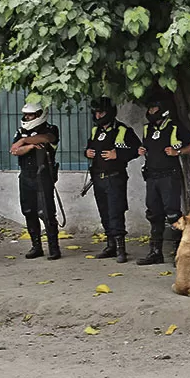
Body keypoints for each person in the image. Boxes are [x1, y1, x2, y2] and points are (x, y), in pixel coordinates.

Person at [135, 90, 190, 266]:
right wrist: (141, 150)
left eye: (154, 108)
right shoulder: (148, 128)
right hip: (152, 176)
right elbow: (146, 146)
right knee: (154, 214)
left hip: (169, 176)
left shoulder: (175, 127)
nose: (151, 111)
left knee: (172, 214)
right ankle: (155, 253)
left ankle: (181, 253)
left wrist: (178, 152)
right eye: (150, 108)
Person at [84, 96, 139, 262]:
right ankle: (110, 246)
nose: (98, 116)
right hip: (98, 178)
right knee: (104, 213)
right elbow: (89, 147)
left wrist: (118, 154)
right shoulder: (96, 131)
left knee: (116, 212)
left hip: (115, 178)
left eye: (101, 113)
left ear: (109, 112)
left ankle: (121, 249)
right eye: (96, 113)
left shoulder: (122, 130)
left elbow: (138, 149)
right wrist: (87, 152)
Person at [10, 98, 61, 260]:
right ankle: (36, 246)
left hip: (43, 175)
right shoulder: (20, 132)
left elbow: (47, 139)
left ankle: (54, 248)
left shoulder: (51, 129)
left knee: (46, 212)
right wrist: (30, 146)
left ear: (40, 115)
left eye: (30, 116)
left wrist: (24, 141)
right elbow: (14, 150)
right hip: (25, 175)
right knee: (28, 211)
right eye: (26, 115)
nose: (27, 118)